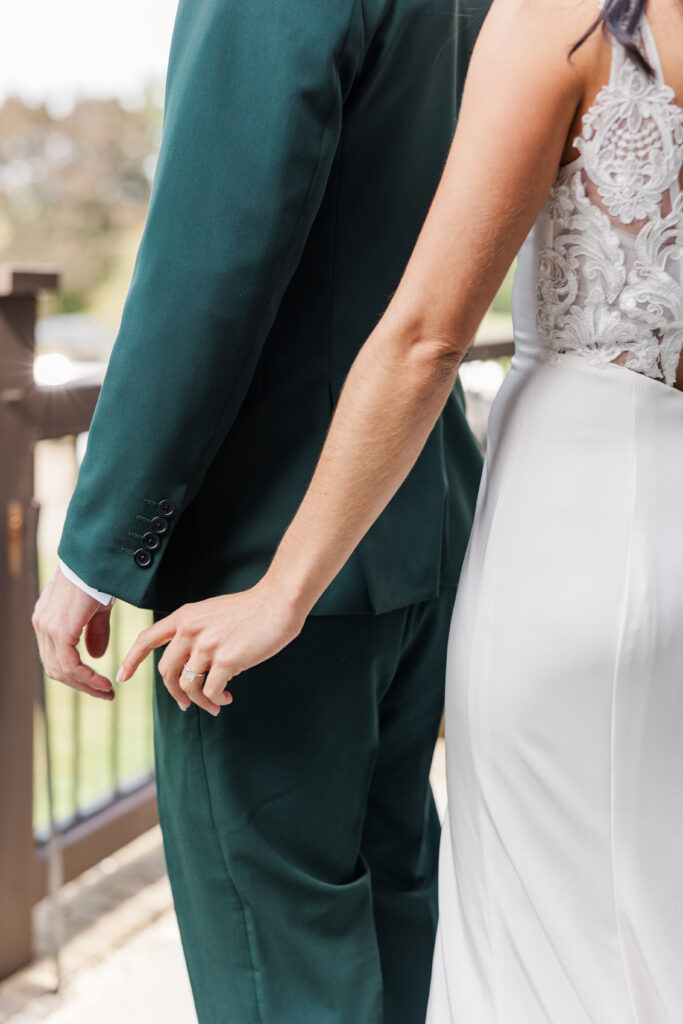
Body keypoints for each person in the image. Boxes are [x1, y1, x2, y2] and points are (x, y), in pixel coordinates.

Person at [117, 0, 683, 1019]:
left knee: (540, 936)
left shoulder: (557, 21)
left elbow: (422, 338)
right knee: (649, 900)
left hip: (570, 542)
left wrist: (281, 592)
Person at [31, 0, 489, 1021]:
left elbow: (209, 255)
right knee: (393, 920)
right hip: (418, 522)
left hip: (267, 558)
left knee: (271, 968)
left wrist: (97, 549)